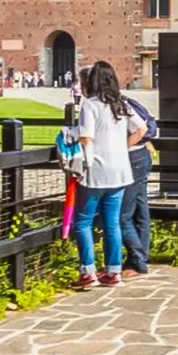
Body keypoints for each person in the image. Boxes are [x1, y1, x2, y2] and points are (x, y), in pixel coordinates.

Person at [73, 61, 147, 289]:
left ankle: (88, 272)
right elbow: (142, 128)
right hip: (120, 170)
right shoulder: (121, 104)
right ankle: (113, 271)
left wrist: (84, 164)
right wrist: (122, 146)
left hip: (96, 170)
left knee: (83, 221)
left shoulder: (90, 105)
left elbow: (86, 138)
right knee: (112, 223)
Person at [119, 95, 156, 280]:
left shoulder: (118, 104)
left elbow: (141, 129)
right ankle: (139, 259)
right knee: (141, 211)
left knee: (123, 215)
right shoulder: (123, 101)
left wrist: (118, 147)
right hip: (141, 157)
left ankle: (138, 260)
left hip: (132, 159)